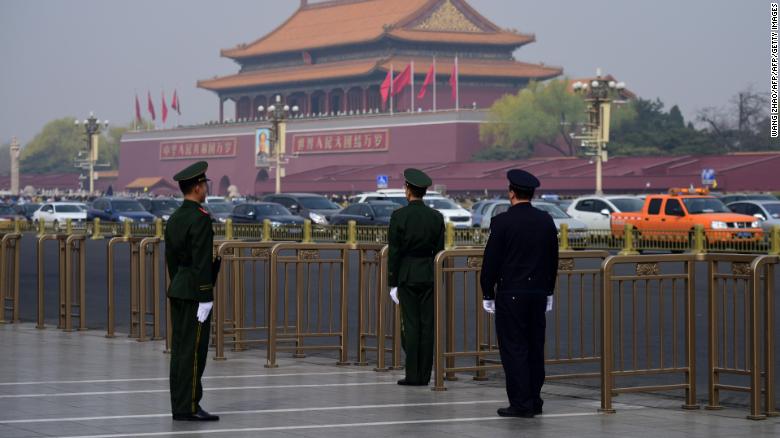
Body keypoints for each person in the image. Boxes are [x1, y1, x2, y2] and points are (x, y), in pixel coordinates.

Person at [480, 169, 558, 418]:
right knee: (535, 346)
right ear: (532, 194)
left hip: (511, 293)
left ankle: (521, 402)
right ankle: (535, 399)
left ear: (511, 192)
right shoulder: (546, 220)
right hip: (537, 293)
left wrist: (486, 292)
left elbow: (491, 261)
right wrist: (549, 290)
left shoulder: (502, 222)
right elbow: (552, 259)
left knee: (514, 348)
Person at [165, 161, 221, 421]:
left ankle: (180, 404)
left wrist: (180, 283)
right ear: (198, 187)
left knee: (180, 350)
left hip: (179, 288)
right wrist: (205, 296)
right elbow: (201, 261)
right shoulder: (199, 218)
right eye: (204, 185)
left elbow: (172, 261)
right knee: (194, 351)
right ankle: (189, 406)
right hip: (195, 294)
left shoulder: (176, 218)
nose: (205, 189)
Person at [388, 168, 445, 386]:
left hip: (407, 275)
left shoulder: (399, 216)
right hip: (429, 274)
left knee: (410, 326)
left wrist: (392, 281)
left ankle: (413, 375)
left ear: (408, 190)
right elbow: (440, 250)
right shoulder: (436, 217)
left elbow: (394, 252)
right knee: (427, 325)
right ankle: (424, 374)